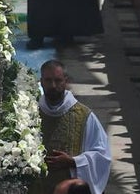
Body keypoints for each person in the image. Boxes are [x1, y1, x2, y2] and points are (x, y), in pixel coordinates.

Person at [35, 60, 110, 194]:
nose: (53, 85)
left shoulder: (84, 116)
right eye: (48, 80)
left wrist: (73, 161)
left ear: (66, 81)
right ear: (41, 82)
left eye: (58, 80)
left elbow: (102, 155)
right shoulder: (30, 111)